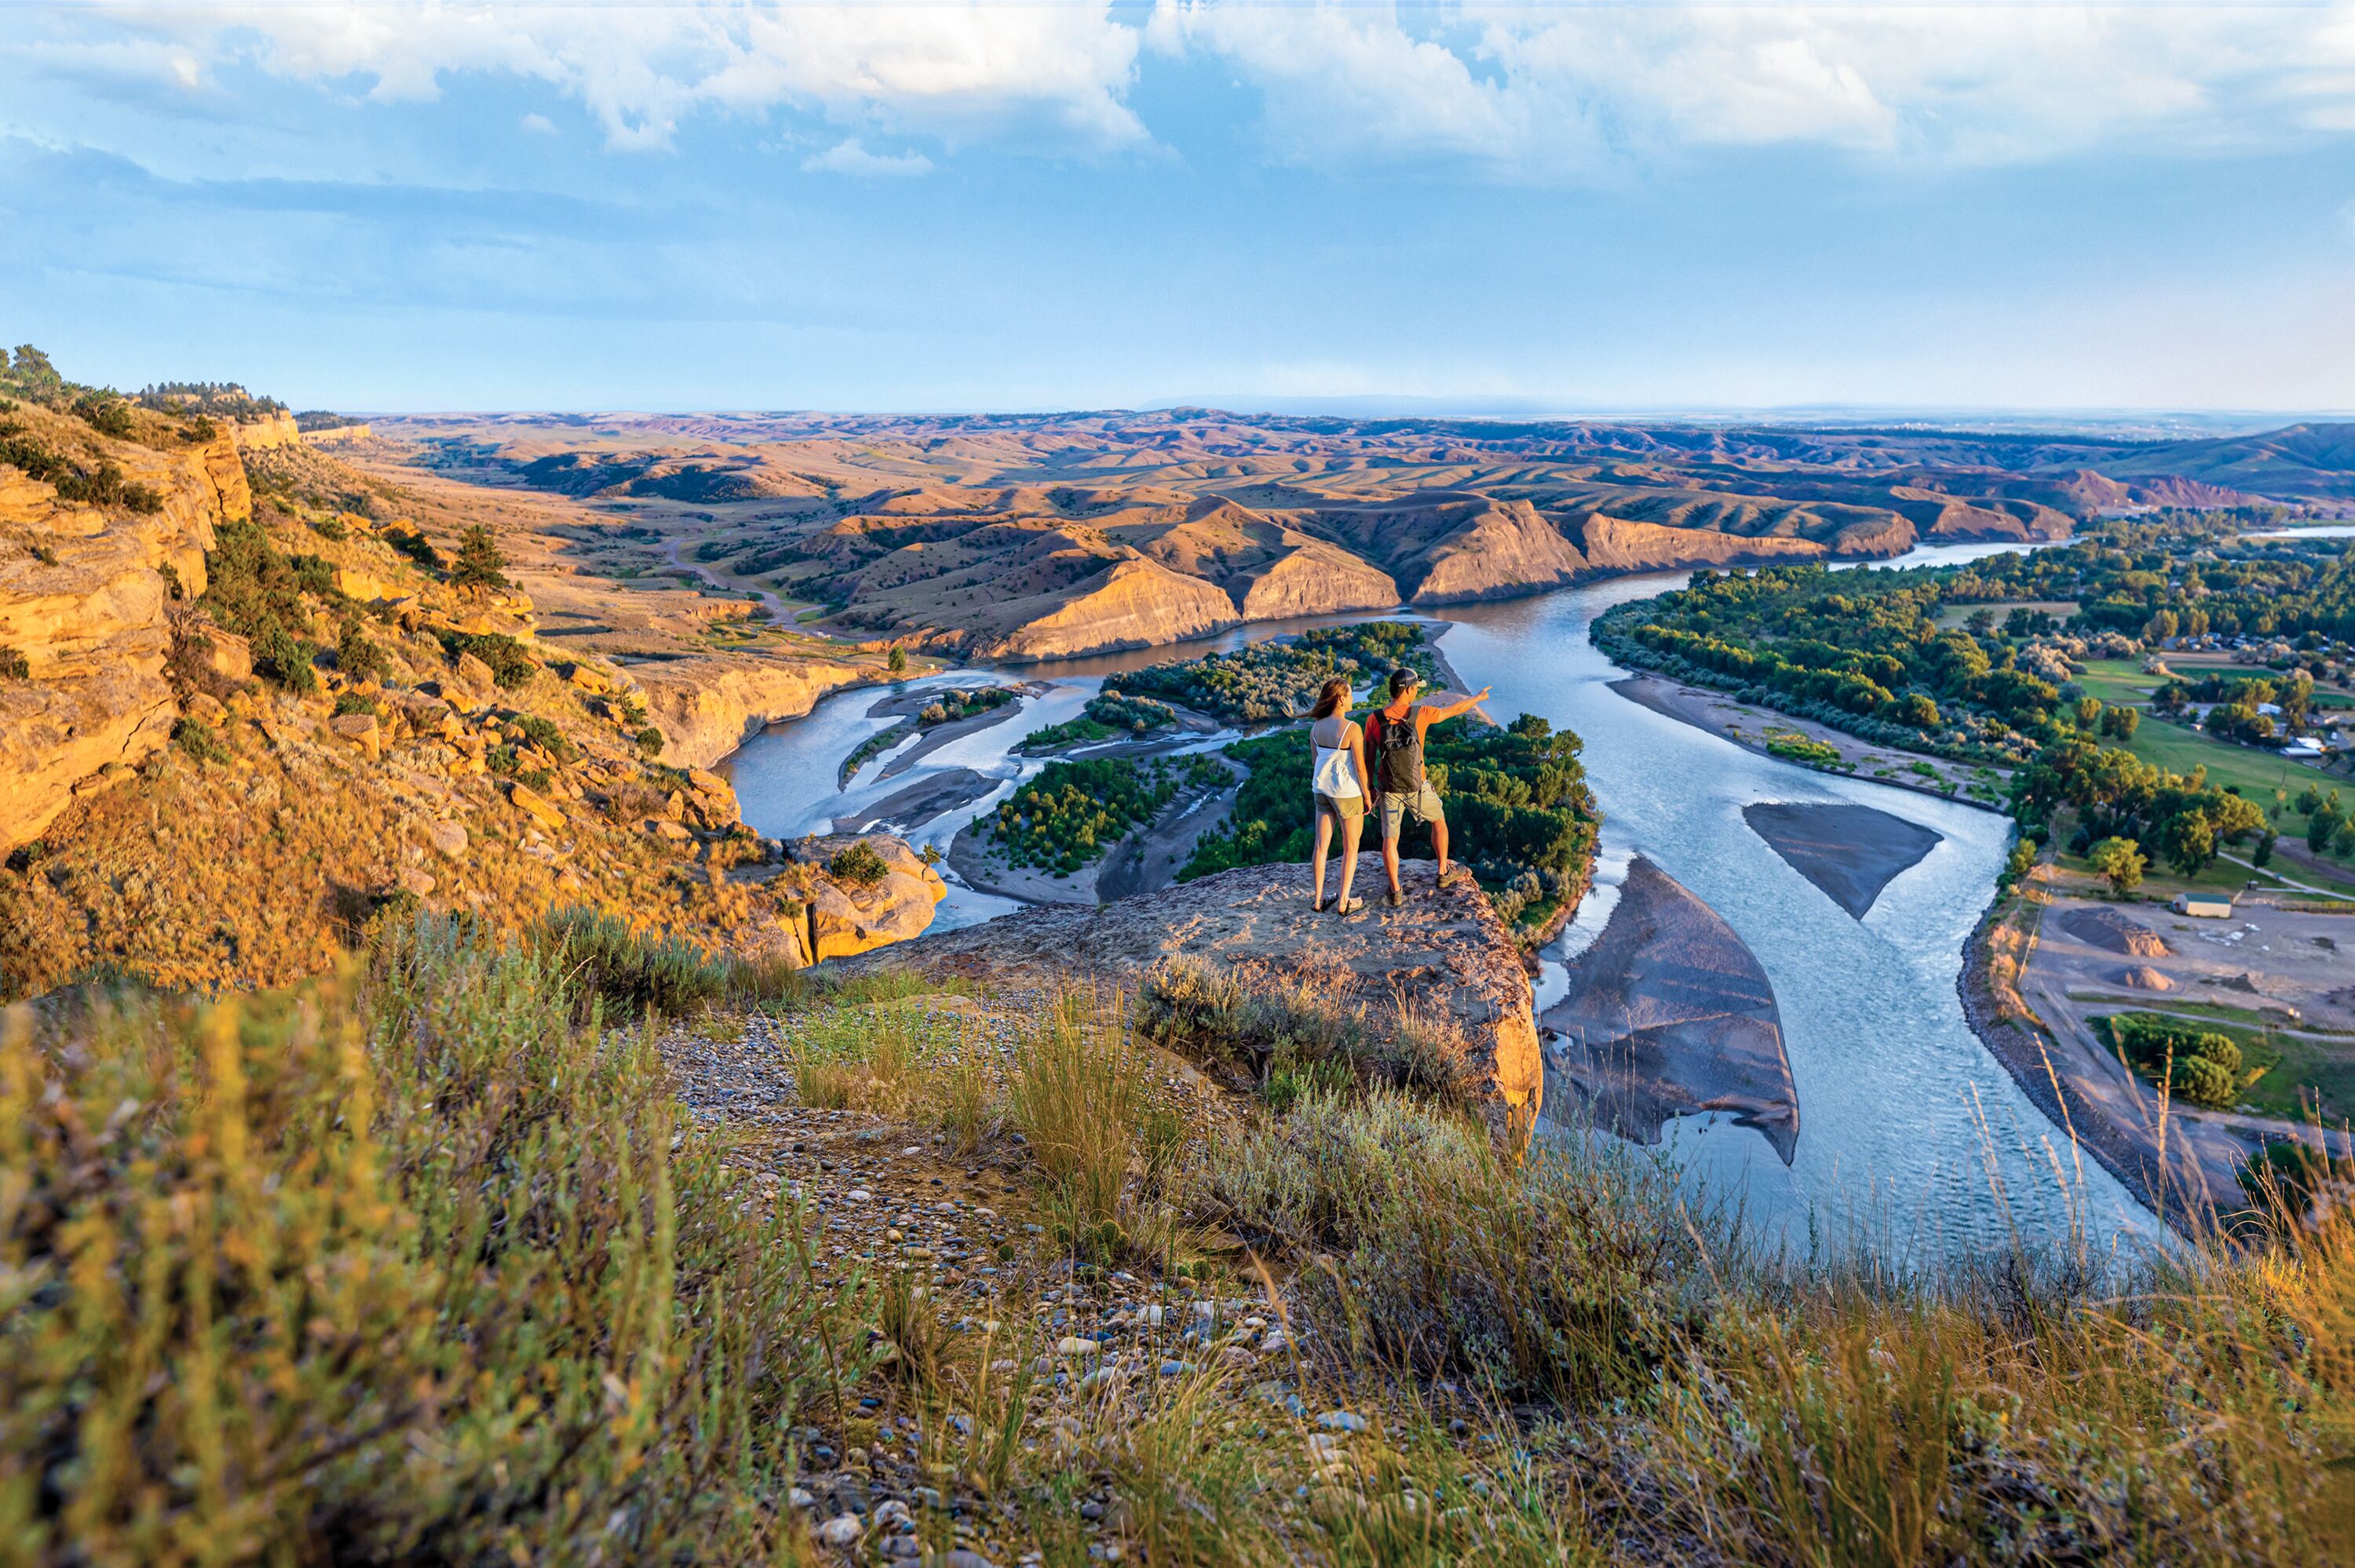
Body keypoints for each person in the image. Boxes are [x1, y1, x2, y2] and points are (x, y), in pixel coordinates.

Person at [1364, 665, 1492, 906]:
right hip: (1418, 787)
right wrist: (1478, 697)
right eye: (1416, 688)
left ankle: (1396, 890)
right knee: (1439, 821)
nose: (1417, 692)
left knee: (1390, 840)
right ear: (1408, 690)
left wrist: (1369, 788)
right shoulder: (1421, 714)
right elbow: (1455, 710)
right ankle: (1443, 872)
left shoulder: (1374, 719)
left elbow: (1368, 757)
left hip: (1389, 789)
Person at [1306, 676, 1368, 914]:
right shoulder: (1352, 728)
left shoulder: (1315, 728)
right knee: (1351, 847)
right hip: (1347, 794)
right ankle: (1344, 902)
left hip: (1322, 790)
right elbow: (1360, 768)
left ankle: (1318, 900)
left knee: (1321, 846)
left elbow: (1315, 762)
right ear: (1341, 699)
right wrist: (1367, 796)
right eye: (1350, 695)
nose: (1352, 699)